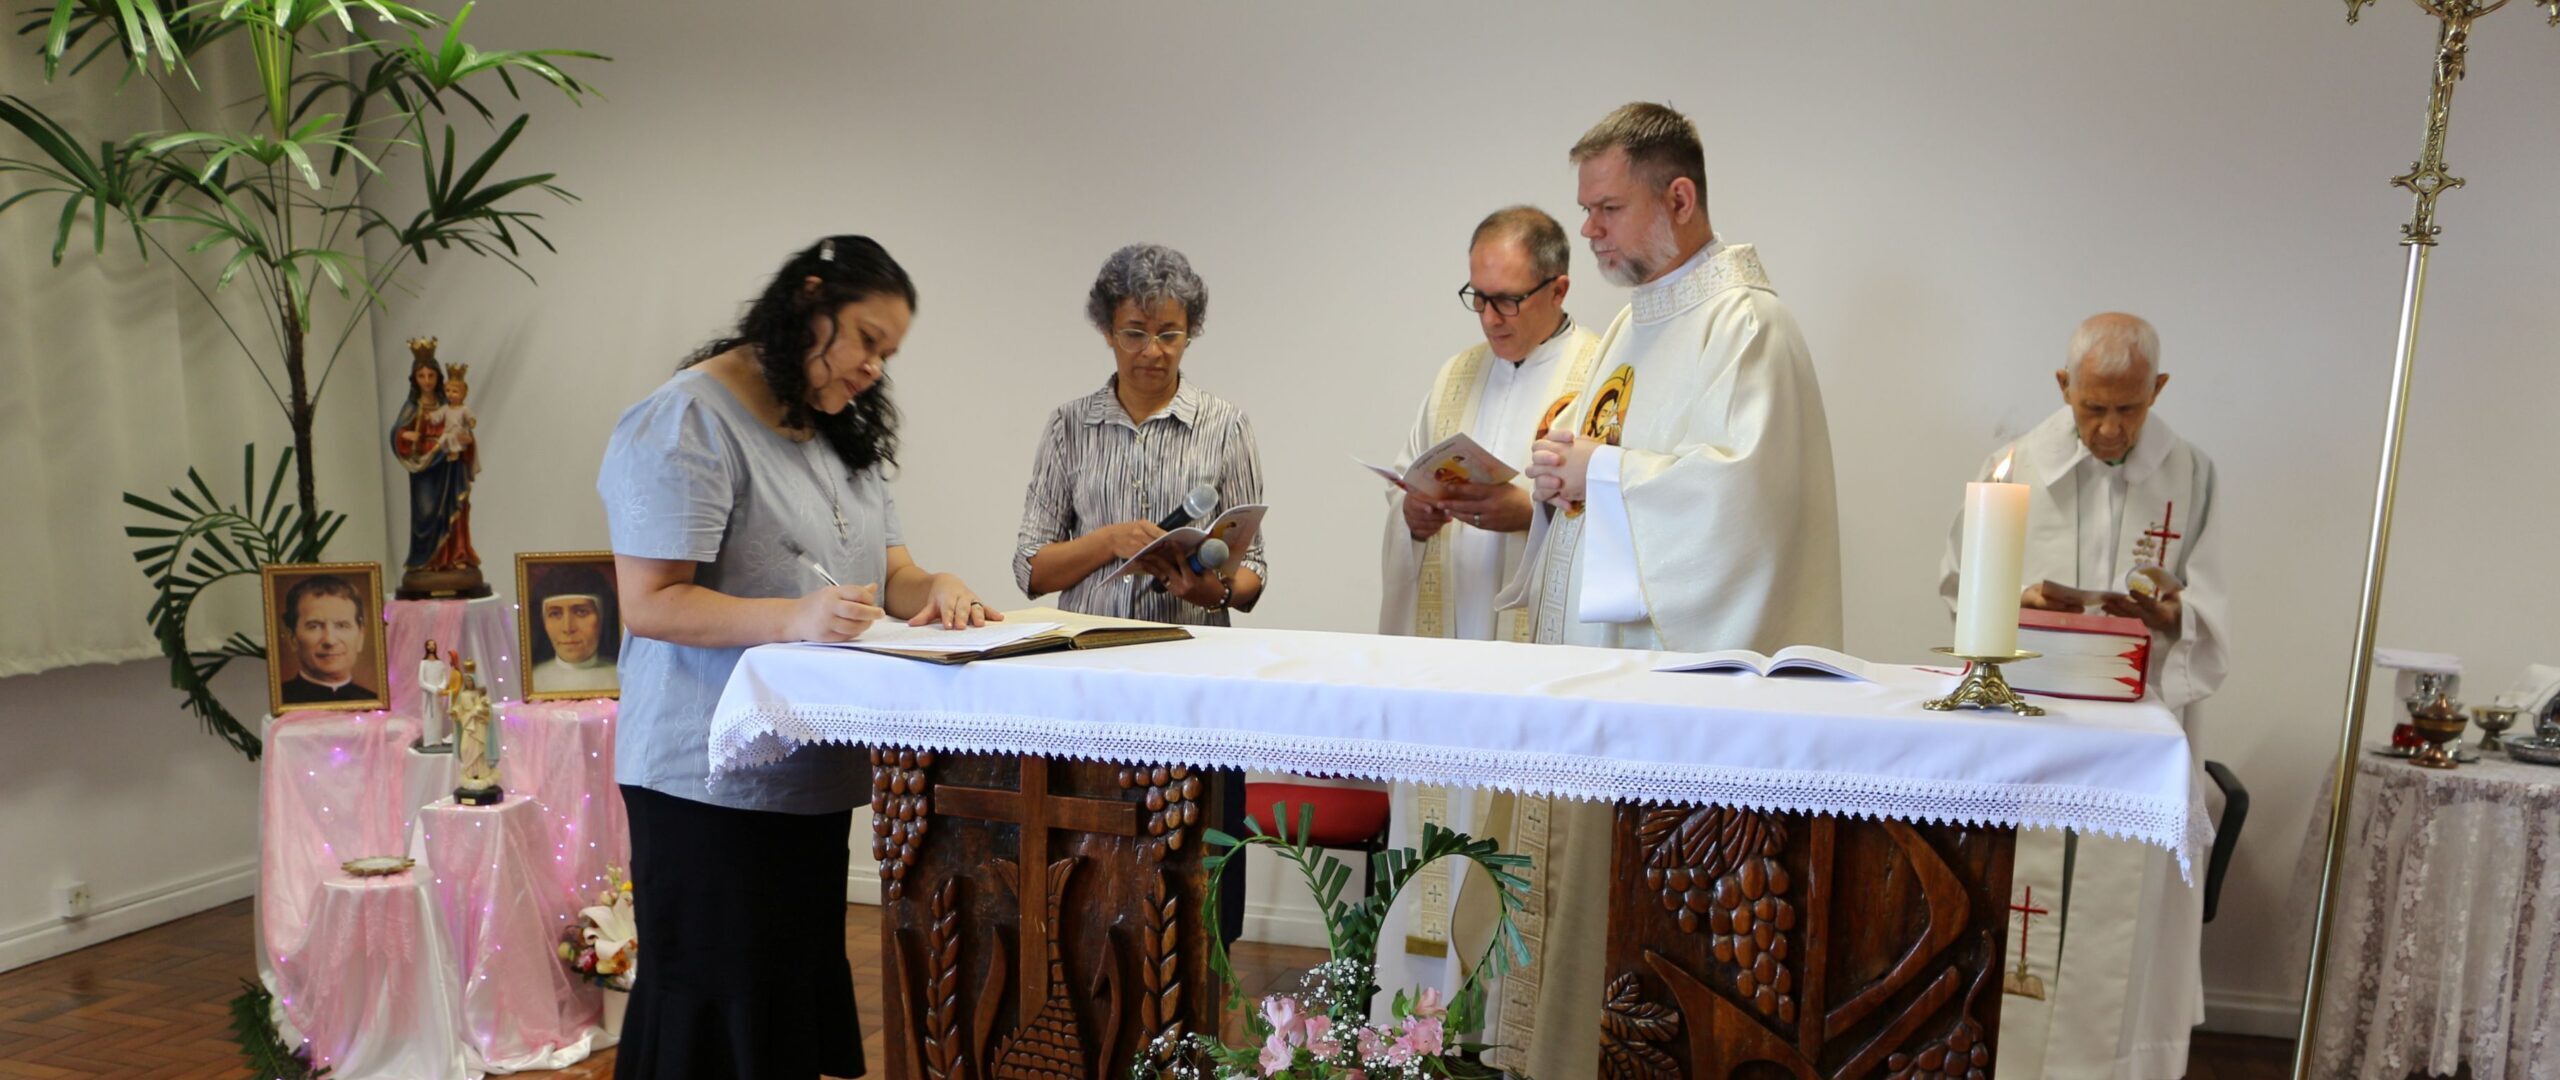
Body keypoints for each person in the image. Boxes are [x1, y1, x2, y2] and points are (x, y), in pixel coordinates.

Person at [1470, 102, 1844, 1078]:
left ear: (1677, 197)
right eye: (1584, 209)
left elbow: (1743, 506)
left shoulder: (1746, 328)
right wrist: (1560, 480)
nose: (1587, 229)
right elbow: (1614, 467)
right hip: (1600, 694)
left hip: (1672, 709)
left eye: (1606, 207)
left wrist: (1598, 475)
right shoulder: (1639, 325)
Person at [598, 235, 996, 1080]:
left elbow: (889, 572)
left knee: (780, 1006)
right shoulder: (687, 421)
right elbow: (651, 602)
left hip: (808, 771)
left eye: (888, 353)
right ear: (808, 301)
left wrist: (940, 586)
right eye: (866, 340)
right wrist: (796, 618)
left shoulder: (832, 428)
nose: (874, 369)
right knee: (715, 1006)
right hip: (702, 777)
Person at [1937, 312, 2226, 1080]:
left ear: (2157, 390)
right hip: (2042, 724)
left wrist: (2176, 614)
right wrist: (2013, 598)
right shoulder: (2014, 464)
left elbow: (2216, 606)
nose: (2107, 427)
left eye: (2128, 408)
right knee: (2025, 902)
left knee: (2124, 919)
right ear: (2063, 387)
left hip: (2141, 720)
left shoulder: (2191, 473)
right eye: (2091, 406)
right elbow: (1959, 580)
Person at [1013, 243, 1268, 624]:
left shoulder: (1226, 425)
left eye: (1169, 335)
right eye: (1134, 334)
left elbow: (1252, 564)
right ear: (1107, 332)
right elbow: (1030, 569)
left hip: (1192, 653)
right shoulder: (1068, 426)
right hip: (1090, 655)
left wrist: (1217, 593)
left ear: (1190, 334)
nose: (1152, 352)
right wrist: (1111, 541)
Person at [1379, 205, 1599, 643]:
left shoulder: (1599, 376)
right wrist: (1411, 517)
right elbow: (1405, 481)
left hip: (1541, 651)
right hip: (1451, 637)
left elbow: (1629, 516)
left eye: (1506, 300)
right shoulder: (1455, 377)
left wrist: (1531, 516)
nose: (1489, 317)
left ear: (1558, 291)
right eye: (1478, 297)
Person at [278, 574, 378, 704]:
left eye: (342, 626)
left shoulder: (374, 704)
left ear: (360, 636)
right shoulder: (280, 702)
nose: (330, 641)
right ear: (292, 638)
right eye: (314, 626)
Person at [529, 564, 620, 694]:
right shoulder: (532, 681)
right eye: (555, 614)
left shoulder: (622, 678)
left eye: (581, 612)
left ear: (602, 617)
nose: (568, 628)